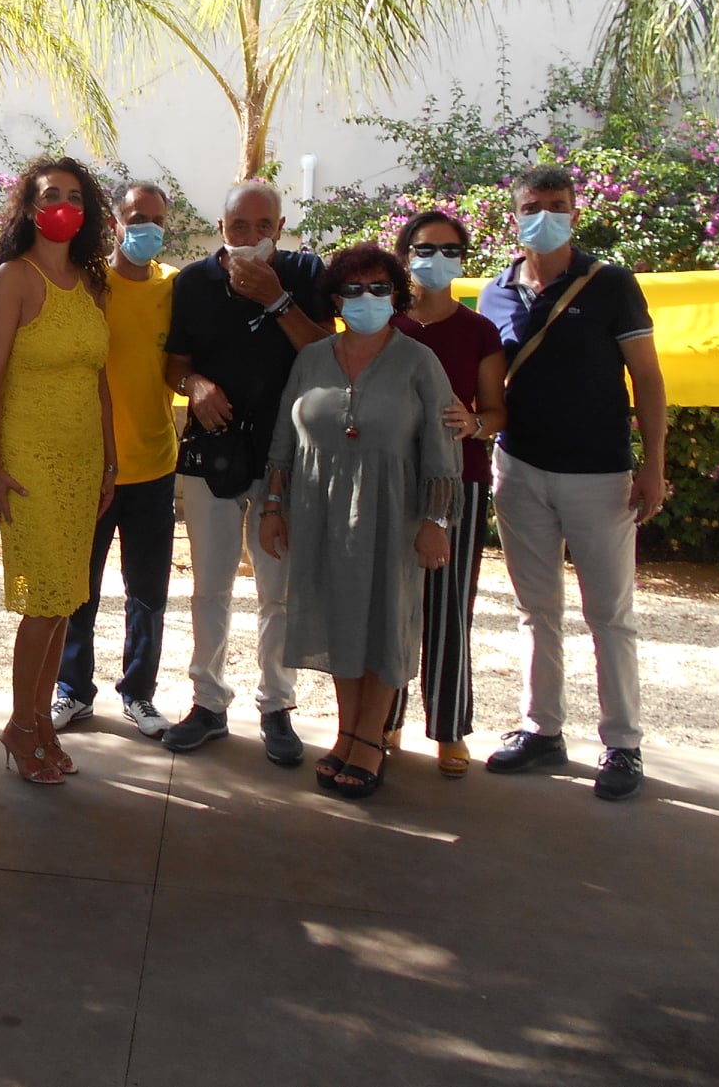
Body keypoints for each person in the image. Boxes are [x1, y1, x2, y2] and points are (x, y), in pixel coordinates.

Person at [478, 164, 667, 802]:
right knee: (536, 610)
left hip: (600, 474)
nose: (546, 216)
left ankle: (623, 743)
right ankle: (542, 730)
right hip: (520, 468)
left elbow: (647, 378)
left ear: (575, 214)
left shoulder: (610, 284)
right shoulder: (496, 292)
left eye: (557, 205)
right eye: (533, 206)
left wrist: (653, 464)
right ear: (515, 217)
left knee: (609, 614)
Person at [259, 244, 463, 800]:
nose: (366, 298)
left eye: (378, 288)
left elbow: (441, 446)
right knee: (339, 619)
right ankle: (347, 732)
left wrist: (436, 520)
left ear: (396, 296)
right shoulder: (311, 358)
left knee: (384, 621)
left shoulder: (419, 361)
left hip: (394, 513)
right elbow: (284, 437)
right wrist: (273, 508)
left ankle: (371, 739)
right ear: (335, 298)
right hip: (318, 510)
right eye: (353, 289)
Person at [162, 180, 331, 763]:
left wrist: (276, 299)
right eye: (239, 227)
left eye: (264, 227)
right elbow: (174, 364)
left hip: (287, 457)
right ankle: (208, 703)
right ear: (222, 228)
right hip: (212, 455)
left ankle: (276, 706)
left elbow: (326, 355)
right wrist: (195, 384)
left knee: (277, 592)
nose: (251, 237)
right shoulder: (194, 282)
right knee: (210, 587)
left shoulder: (305, 273)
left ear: (280, 229)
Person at [0, 156, 115, 784]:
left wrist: (110, 459)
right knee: (44, 599)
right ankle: (20, 724)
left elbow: (99, 379)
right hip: (29, 460)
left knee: (65, 600)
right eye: (51, 194)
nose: (64, 205)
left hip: (83, 463)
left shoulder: (91, 283)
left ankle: (42, 719)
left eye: (75, 196)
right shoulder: (14, 278)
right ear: (30, 208)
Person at [51, 179, 181, 741]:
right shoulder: (89, 284)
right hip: (91, 468)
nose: (145, 228)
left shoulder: (174, 287)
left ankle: (139, 693)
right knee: (79, 590)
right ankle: (73, 690)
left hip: (154, 466)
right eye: (136, 218)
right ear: (115, 223)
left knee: (147, 593)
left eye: (156, 219)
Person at [388, 209, 507, 777]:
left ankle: (449, 728)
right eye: (425, 248)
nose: (437, 260)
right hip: (389, 480)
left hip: (460, 481)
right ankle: (382, 719)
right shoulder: (385, 321)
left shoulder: (479, 330)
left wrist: (475, 423)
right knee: (389, 603)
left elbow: (497, 411)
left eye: (450, 250)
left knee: (449, 606)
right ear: (405, 254)